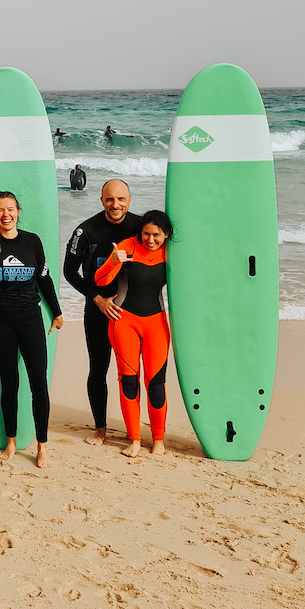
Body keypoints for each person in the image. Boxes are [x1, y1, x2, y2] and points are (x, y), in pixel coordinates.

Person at [0, 191, 63, 469]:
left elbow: (44, 279)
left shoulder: (32, 241)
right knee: (9, 383)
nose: (5, 214)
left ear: (18, 211)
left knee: (38, 383)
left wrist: (56, 312)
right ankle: (11, 441)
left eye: (10, 209)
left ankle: (42, 446)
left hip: (30, 318)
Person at [63, 179, 144, 445]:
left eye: (121, 199)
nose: (115, 204)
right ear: (101, 201)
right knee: (98, 370)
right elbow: (69, 271)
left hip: (133, 313)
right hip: (99, 310)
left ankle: (134, 428)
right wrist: (97, 299)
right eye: (110, 199)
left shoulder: (141, 228)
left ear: (129, 200)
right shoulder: (85, 231)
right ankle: (100, 428)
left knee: (131, 372)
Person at [94, 211, 173, 458]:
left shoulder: (171, 252)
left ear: (166, 234)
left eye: (156, 235)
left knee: (156, 383)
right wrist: (114, 261)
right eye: (146, 234)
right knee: (129, 381)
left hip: (156, 323)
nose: (150, 239)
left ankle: (158, 439)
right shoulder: (128, 246)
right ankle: (135, 439)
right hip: (123, 322)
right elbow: (99, 280)